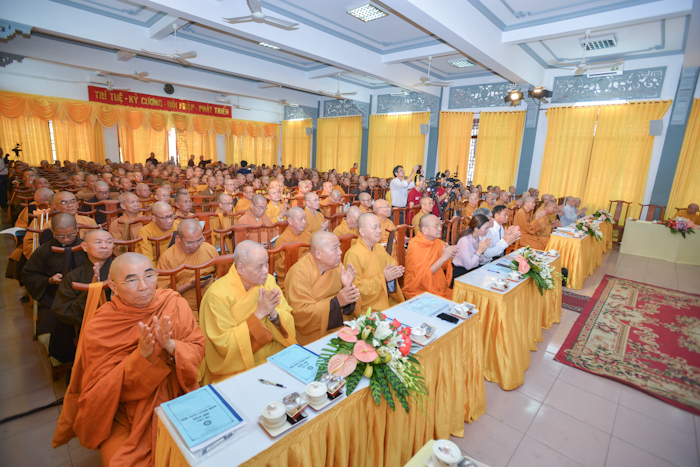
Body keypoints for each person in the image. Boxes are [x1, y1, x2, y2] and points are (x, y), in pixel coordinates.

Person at [52, 253, 205, 467]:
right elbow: (99, 388)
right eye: (132, 280)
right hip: (123, 409)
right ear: (113, 287)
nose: (144, 287)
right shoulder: (101, 325)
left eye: (149, 276)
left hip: (177, 392)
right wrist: (140, 357)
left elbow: (198, 348)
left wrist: (172, 347)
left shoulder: (173, 303)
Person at [198, 241, 296, 384]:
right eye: (259, 267)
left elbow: (287, 316)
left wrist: (273, 314)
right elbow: (223, 345)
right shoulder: (217, 295)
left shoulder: (268, 281)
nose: (266, 271)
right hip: (239, 363)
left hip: (274, 351)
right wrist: (258, 314)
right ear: (240, 268)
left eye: (266, 264)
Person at [50, 229, 114, 363]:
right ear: (85, 247)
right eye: (98, 242)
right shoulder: (74, 277)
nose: (104, 246)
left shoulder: (122, 269)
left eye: (109, 242)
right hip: (92, 329)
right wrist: (92, 291)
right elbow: (62, 310)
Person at [285, 232, 360, 345]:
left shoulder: (337, 266)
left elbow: (353, 304)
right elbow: (301, 314)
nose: (340, 252)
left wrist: (347, 286)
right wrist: (337, 302)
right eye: (335, 249)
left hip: (340, 324)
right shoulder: (298, 273)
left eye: (339, 247)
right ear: (318, 254)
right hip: (313, 334)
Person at [22, 214, 88, 339]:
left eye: (71, 235)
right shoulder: (43, 251)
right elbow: (29, 275)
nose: (66, 239)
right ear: (52, 231)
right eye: (60, 236)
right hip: (53, 299)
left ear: (77, 229)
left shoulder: (87, 248)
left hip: (83, 299)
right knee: (46, 336)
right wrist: (49, 280)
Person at [157, 219, 218, 320]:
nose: (195, 245)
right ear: (179, 239)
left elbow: (220, 273)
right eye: (190, 242)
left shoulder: (209, 249)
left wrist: (216, 281)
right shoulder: (167, 258)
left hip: (213, 301)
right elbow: (164, 292)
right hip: (185, 307)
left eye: (199, 240)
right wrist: (190, 285)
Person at [343, 213, 404, 313]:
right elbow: (355, 288)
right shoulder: (353, 254)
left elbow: (391, 263)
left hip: (386, 299)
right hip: (368, 308)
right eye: (374, 228)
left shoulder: (378, 247)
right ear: (362, 232)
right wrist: (383, 278)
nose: (380, 231)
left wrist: (395, 271)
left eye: (379, 226)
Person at [403, 214, 458, 299]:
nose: (440, 229)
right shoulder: (416, 245)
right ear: (425, 229)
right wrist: (443, 258)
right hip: (420, 289)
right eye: (436, 226)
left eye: (440, 225)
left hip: (438, 287)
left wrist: (448, 256)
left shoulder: (437, 242)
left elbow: (442, 266)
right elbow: (422, 277)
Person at [274, 207, 311, 293]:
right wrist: (305, 258)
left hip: (309, 274)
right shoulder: (282, 240)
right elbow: (281, 267)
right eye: (300, 219)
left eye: (305, 218)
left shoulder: (307, 235)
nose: (304, 222)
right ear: (290, 221)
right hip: (291, 278)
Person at [452, 215, 491, 282]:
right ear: (476, 229)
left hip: (472, 271)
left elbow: (480, 260)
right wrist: (479, 251)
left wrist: (482, 251)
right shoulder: (464, 240)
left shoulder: (476, 238)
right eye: (486, 228)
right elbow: (468, 266)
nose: (487, 231)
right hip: (462, 274)